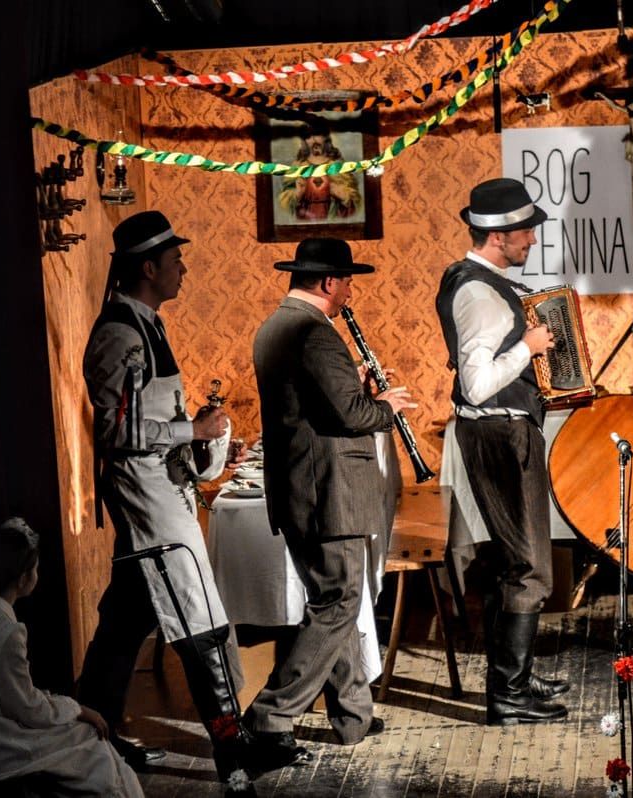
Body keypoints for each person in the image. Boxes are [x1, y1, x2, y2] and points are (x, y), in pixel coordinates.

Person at [78, 211, 258, 794]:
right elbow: (117, 431)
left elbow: (149, 417)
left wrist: (198, 439)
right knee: (195, 616)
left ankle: (90, 735)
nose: (184, 268)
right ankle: (232, 751)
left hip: (165, 493)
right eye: (176, 260)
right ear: (149, 268)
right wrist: (192, 432)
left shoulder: (147, 325)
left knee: (125, 620)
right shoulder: (121, 336)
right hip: (148, 503)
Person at [244, 238, 414, 757]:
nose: (349, 293)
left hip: (298, 490)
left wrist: (352, 385)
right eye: (347, 283)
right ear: (328, 282)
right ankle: (269, 716)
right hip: (328, 494)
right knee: (338, 602)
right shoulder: (315, 332)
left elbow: (315, 402)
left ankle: (352, 716)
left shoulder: (274, 327)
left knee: (334, 600)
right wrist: (386, 405)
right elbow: (351, 416)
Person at [434, 178, 570, 725]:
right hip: (500, 433)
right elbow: (476, 385)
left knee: (515, 561)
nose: (532, 240)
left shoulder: (472, 281)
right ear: (498, 236)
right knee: (532, 568)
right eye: (525, 232)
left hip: (499, 430)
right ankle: (507, 695)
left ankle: (516, 677)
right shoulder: (478, 292)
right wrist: (529, 348)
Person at [0, 518, 143, 797]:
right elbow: (26, 706)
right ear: (23, 578)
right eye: (35, 568)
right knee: (91, 739)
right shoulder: (7, 631)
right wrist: (77, 709)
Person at [278, 126, 362, 220]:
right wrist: (297, 194)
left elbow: (356, 198)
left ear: (326, 138)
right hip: (305, 220)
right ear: (304, 141)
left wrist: (344, 195)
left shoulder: (337, 165)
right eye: (309, 137)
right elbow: (283, 201)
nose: (314, 140)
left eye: (318, 135)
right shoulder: (297, 166)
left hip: (332, 219)